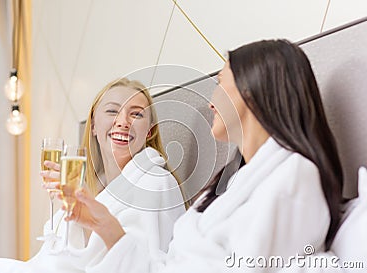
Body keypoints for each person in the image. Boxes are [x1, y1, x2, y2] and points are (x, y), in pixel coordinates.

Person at [65, 39, 344, 273]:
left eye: (220, 83)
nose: (211, 100)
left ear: (253, 91)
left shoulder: (295, 178)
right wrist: (108, 229)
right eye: (112, 111)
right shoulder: (231, 183)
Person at [0, 78, 186, 273]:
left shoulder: (156, 183)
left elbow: (143, 265)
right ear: (93, 125)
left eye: (136, 114)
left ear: (149, 131)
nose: (122, 121)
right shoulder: (97, 190)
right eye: (112, 111)